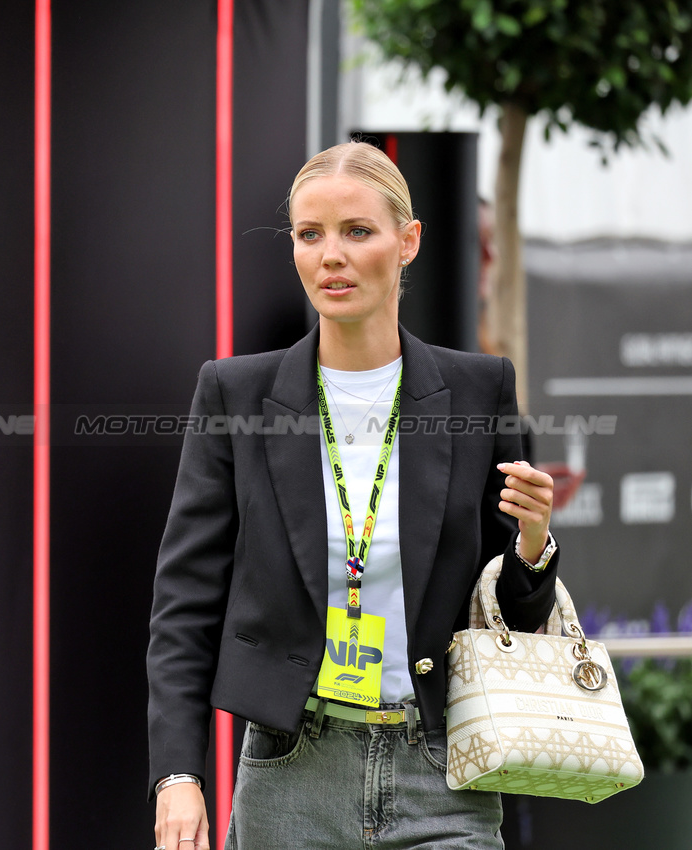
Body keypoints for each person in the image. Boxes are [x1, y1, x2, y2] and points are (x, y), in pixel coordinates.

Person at [147, 141, 557, 850]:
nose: (329, 255)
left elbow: (512, 615)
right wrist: (176, 775)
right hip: (290, 773)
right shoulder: (234, 395)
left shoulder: (477, 389)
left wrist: (532, 545)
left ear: (408, 242)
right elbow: (184, 605)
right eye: (310, 235)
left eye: (356, 231)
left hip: (441, 765)